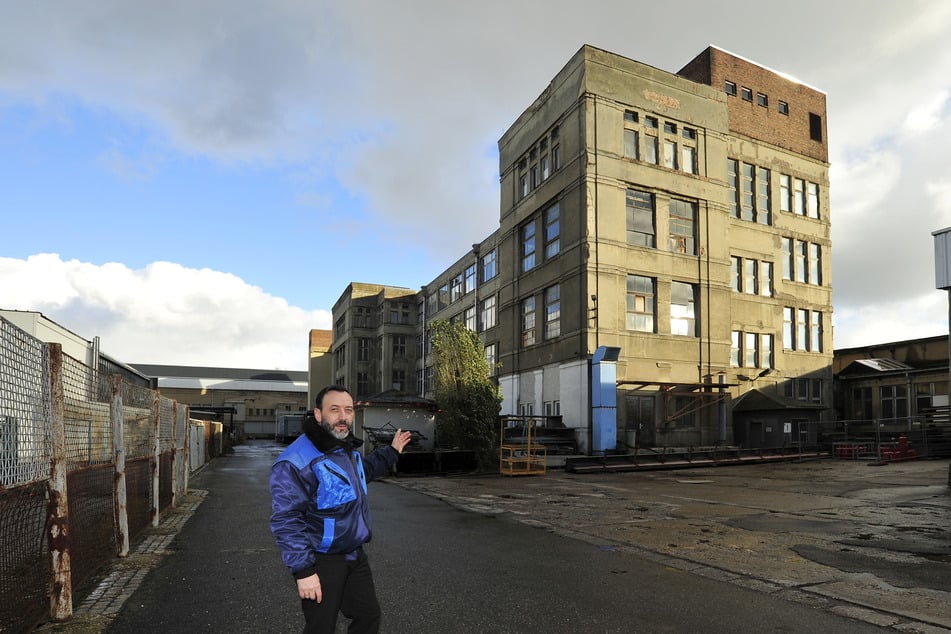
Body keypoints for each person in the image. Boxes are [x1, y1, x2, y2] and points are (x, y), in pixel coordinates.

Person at [270, 385, 412, 633]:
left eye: (348, 410)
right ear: (318, 414)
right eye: (334, 410)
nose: (343, 417)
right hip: (321, 560)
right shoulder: (296, 460)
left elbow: (361, 473)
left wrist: (391, 452)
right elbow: (286, 520)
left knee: (368, 617)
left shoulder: (344, 449)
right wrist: (304, 570)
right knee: (321, 627)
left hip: (354, 555)